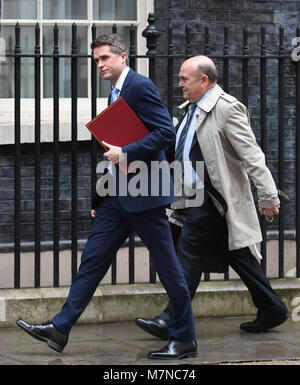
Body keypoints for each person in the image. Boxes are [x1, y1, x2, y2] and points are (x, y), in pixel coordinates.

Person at [16, 34, 197, 360]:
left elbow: (165, 133)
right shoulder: (116, 92)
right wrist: (102, 200)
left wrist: (126, 151)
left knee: (169, 270)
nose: (99, 64)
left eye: (104, 58)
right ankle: (60, 328)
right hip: (118, 197)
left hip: (144, 195)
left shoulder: (139, 87)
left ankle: (184, 339)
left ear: (123, 57)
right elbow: (115, 148)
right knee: (92, 262)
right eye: (96, 59)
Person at [135, 55, 288, 340]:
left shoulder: (226, 109)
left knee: (189, 255)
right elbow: (180, 151)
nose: (179, 84)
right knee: (239, 255)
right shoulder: (190, 109)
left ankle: (172, 319)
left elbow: (252, 155)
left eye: (185, 79)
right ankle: (272, 307)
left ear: (204, 80)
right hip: (193, 198)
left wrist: (268, 195)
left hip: (213, 197)